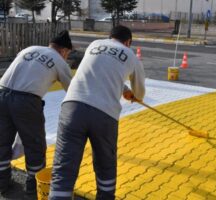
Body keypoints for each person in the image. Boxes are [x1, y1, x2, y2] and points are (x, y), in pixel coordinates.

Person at [49, 25, 145, 200]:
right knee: (105, 165)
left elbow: (97, 72)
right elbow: (139, 93)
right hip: (104, 114)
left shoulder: (94, 44)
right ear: (128, 42)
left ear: (110, 37)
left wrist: (120, 86)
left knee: (64, 167)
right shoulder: (131, 55)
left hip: (73, 107)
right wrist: (133, 95)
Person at [0, 30, 73, 195]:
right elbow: (73, 90)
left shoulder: (29, 49)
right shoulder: (59, 61)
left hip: (1, 95)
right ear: (63, 50)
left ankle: (2, 183)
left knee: (2, 141)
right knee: (34, 144)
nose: (66, 57)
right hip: (26, 102)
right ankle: (33, 189)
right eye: (67, 54)